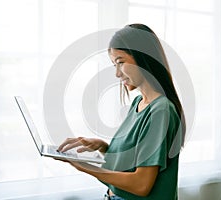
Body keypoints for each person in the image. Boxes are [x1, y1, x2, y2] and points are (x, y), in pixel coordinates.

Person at [56, 23, 186, 200]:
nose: (117, 74)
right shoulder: (139, 103)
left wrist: (85, 167)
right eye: (114, 65)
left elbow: (141, 185)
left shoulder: (160, 110)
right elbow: (134, 161)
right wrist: (102, 147)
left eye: (120, 62)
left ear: (143, 58)